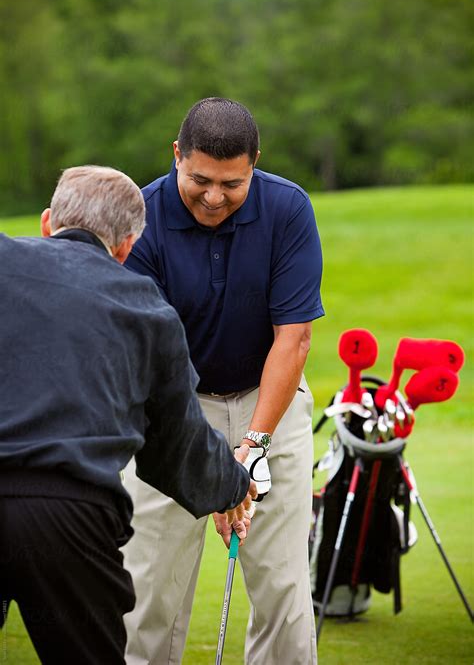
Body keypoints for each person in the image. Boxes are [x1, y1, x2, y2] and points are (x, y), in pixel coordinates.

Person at [0, 165, 256, 665]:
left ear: (47, 222)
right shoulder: (149, 311)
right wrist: (232, 486)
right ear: (126, 247)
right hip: (70, 510)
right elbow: (175, 443)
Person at [122, 98, 324, 664]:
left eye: (232, 183)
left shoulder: (287, 208)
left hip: (270, 403)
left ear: (255, 163)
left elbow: (295, 339)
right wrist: (206, 463)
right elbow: (150, 353)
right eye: (200, 180)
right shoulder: (140, 215)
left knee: (284, 589)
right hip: (171, 408)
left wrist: (253, 445)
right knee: (150, 590)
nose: (214, 197)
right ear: (177, 155)